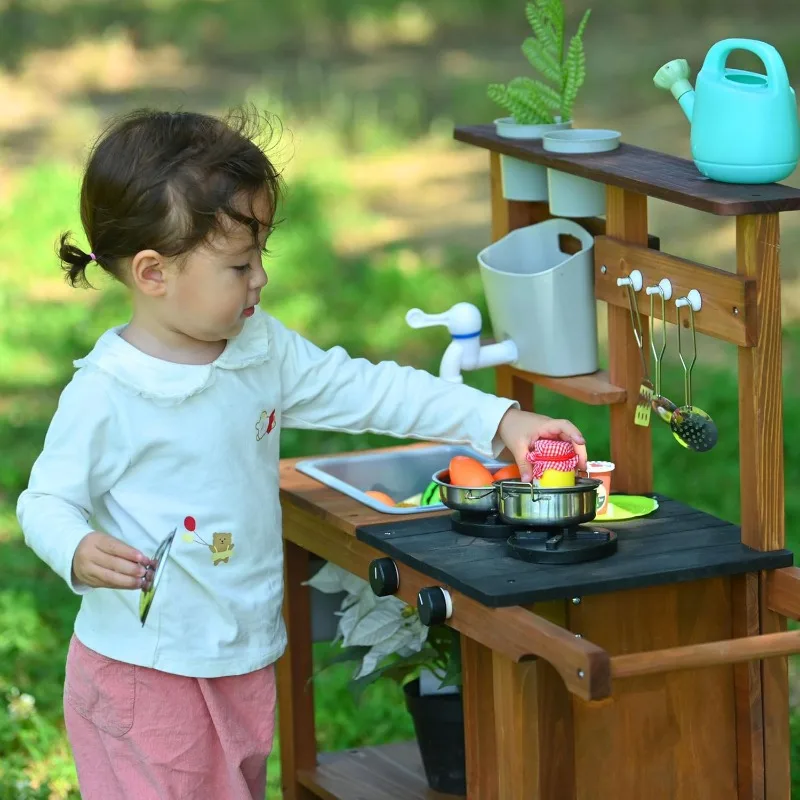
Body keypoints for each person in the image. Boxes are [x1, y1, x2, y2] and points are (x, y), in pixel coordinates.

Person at [16, 106, 587, 799]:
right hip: (145, 672)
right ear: (153, 273)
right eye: (237, 265)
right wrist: (75, 547)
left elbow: (370, 391)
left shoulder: (261, 349)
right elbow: (45, 499)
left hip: (241, 655)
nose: (259, 279)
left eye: (260, 258)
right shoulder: (110, 390)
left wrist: (500, 418)